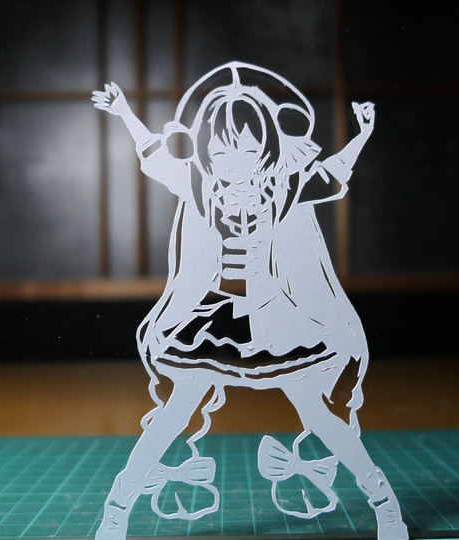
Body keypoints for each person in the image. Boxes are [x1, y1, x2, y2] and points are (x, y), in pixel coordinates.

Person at [92, 61, 407, 540]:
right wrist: (125, 114)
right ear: (207, 151)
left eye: (246, 147)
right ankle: (117, 510)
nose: (234, 160)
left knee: (317, 412)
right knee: (175, 413)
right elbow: (155, 157)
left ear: (265, 148)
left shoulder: (284, 187)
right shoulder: (201, 187)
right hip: (215, 318)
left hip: (276, 319)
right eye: (221, 149)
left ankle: (384, 503)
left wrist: (363, 134)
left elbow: (332, 174)